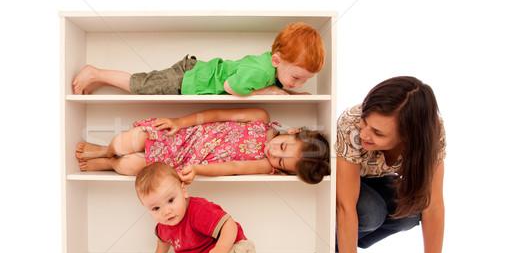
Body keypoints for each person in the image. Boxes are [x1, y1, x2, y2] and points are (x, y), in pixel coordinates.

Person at [335, 76, 452, 253]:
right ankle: (335, 244)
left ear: (409, 136)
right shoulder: (351, 124)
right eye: (366, 122)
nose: (365, 134)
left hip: (377, 179)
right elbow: (345, 205)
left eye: (378, 133)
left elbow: (434, 205)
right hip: (343, 181)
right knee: (370, 213)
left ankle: (342, 244)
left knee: (409, 213)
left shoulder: (432, 133)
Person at [76, 107, 330, 184]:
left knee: (130, 166)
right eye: (283, 147)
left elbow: (232, 167)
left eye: (281, 162)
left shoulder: (264, 166)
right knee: (121, 143)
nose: (274, 153)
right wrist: (178, 120)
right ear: (294, 131)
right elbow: (217, 115)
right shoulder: (261, 120)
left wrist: (196, 170)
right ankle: (103, 150)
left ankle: (109, 163)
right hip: (180, 135)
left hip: (181, 160)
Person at [72, 22, 325, 96]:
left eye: (304, 80)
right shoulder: (261, 73)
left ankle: (98, 80)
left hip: (195, 73)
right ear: (277, 60)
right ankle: (96, 73)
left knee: (144, 84)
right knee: (142, 86)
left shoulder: (271, 69)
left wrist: (290, 92)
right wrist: (270, 92)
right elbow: (230, 87)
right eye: (296, 77)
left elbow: (277, 84)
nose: (298, 83)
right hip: (189, 78)